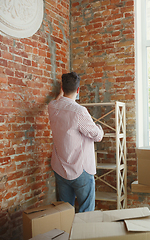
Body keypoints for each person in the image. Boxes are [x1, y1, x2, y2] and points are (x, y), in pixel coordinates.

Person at [48, 72, 104, 212]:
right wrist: (99, 128)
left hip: (60, 168)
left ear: (62, 87)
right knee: (86, 213)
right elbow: (97, 136)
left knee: (64, 214)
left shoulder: (52, 106)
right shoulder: (79, 111)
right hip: (80, 169)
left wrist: (61, 92)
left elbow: (57, 101)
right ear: (78, 90)